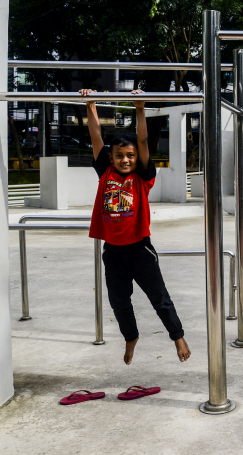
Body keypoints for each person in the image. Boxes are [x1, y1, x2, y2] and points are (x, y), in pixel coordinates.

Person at [80, 89, 191, 365]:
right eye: (119, 156)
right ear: (111, 158)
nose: (125, 160)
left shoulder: (143, 178)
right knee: (119, 302)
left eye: (129, 155)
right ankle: (131, 337)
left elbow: (142, 140)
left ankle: (177, 336)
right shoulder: (105, 172)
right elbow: (96, 137)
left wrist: (140, 109)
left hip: (140, 249)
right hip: (114, 252)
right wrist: (91, 104)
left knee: (159, 299)